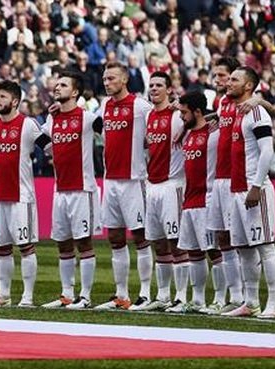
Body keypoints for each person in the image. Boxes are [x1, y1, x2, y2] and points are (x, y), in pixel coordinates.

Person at [0, 80, 48, 307]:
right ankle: (3, 294)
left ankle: (27, 297)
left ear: (15, 101)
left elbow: (48, 146)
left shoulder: (28, 125)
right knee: (2, 247)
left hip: (22, 196)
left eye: (2, 97)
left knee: (26, 246)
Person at [222, 67, 275, 319]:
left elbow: (267, 150)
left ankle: (274, 304)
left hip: (255, 188)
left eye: (234, 79)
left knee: (266, 247)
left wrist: (256, 185)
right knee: (245, 249)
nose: (228, 82)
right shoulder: (237, 111)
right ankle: (251, 302)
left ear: (248, 86)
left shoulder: (256, 112)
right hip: (236, 189)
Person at [95, 62, 154, 311]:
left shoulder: (141, 106)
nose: (107, 82)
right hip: (110, 181)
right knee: (116, 237)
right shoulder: (105, 106)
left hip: (134, 180)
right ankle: (121, 294)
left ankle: (145, 293)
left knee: (140, 236)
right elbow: (97, 127)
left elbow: (157, 131)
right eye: (105, 78)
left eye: (111, 78)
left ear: (125, 80)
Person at [42, 70, 101, 310]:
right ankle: (67, 294)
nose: (57, 88)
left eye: (63, 85)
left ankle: (85, 296)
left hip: (82, 189)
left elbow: (110, 130)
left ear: (75, 92)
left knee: (83, 243)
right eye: (56, 85)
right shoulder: (52, 119)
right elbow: (44, 143)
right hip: (60, 190)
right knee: (63, 243)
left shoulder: (87, 118)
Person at [134, 71, 188, 312]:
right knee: (158, 243)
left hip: (172, 184)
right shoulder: (149, 117)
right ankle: (163, 295)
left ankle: (182, 297)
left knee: (176, 242)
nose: (154, 89)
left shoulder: (177, 116)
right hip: (151, 184)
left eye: (159, 85)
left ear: (169, 90)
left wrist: (183, 108)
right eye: (151, 85)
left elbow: (201, 122)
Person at [175, 91, 223, 314]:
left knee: (214, 252)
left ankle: (221, 299)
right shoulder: (187, 134)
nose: (181, 116)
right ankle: (198, 300)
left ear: (197, 111)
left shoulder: (213, 133)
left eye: (184, 112)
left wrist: (215, 118)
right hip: (189, 201)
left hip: (207, 200)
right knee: (194, 253)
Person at [206, 57, 245, 313]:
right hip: (217, 178)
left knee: (239, 239)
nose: (219, 80)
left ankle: (244, 296)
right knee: (221, 238)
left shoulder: (245, 101)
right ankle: (232, 296)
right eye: (216, 75)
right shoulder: (220, 104)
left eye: (224, 75)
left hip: (236, 179)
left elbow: (265, 106)